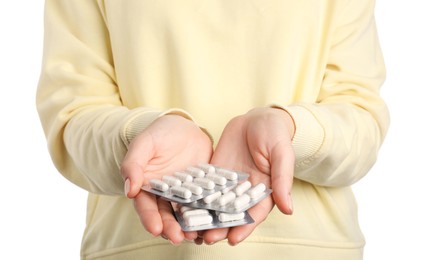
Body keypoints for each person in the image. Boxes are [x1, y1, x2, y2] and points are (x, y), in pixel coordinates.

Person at [36, 0, 389, 259]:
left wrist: (292, 131)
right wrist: (138, 137)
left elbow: (360, 120)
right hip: (139, 249)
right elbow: (71, 117)